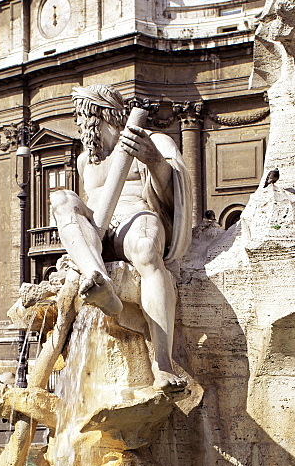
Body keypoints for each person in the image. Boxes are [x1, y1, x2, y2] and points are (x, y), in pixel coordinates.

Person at [50, 84, 193, 392]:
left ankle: (163, 364)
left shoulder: (152, 141)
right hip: (100, 228)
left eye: (82, 117)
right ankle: (97, 279)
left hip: (136, 216)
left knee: (145, 250)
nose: (79, 126)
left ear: (101, 116)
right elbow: (87, 207)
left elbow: (176, 198)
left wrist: (154, 160)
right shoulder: (84, 161)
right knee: (62, 199)